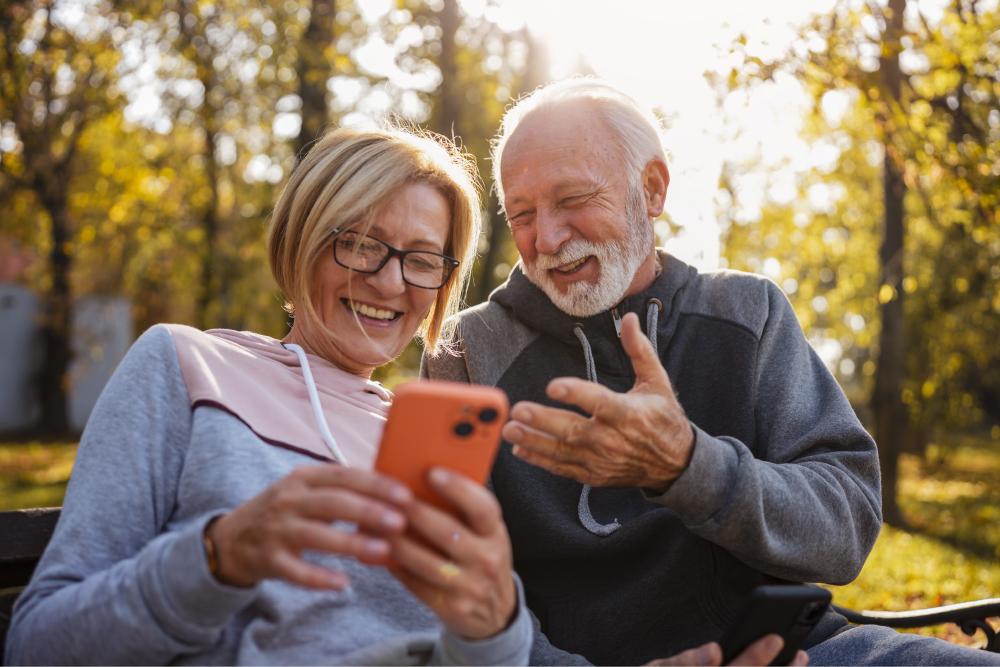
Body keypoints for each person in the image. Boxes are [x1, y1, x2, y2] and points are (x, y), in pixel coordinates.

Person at [423, 78, 1000, 666]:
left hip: (801, 654)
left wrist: (687, 464)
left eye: (572, 200)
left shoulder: (748, 312)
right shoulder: (466, 353)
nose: (546, 237)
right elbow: (446, 583)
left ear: (651, 189)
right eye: (522, 213)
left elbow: (846, 526)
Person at [5, 126, 533, 665]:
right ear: (299, 241)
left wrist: (496, 632)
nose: (391, 281)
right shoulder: (188, 366)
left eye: (422, 260)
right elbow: (37, 646)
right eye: (357, 244)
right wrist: (218, 557)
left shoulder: (431, 438)